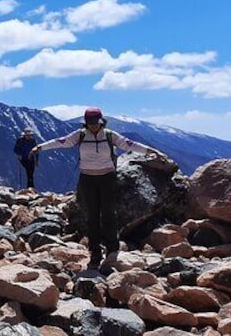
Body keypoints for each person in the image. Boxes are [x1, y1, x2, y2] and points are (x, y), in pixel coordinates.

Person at [30, 107, 166, 269]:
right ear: (86, 123)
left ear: (101, 122)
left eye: (95, 123)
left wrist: (151, 151)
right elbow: (61, 142)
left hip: (107, 178)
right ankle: (95, 253)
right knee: (92, 216)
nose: (93, 126)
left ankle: (112, 249)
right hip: (87, 179)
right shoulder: (79, 135)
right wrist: (40, 147)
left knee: (108, 214)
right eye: (90, 123)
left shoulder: (109, 135)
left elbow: (129, 144)